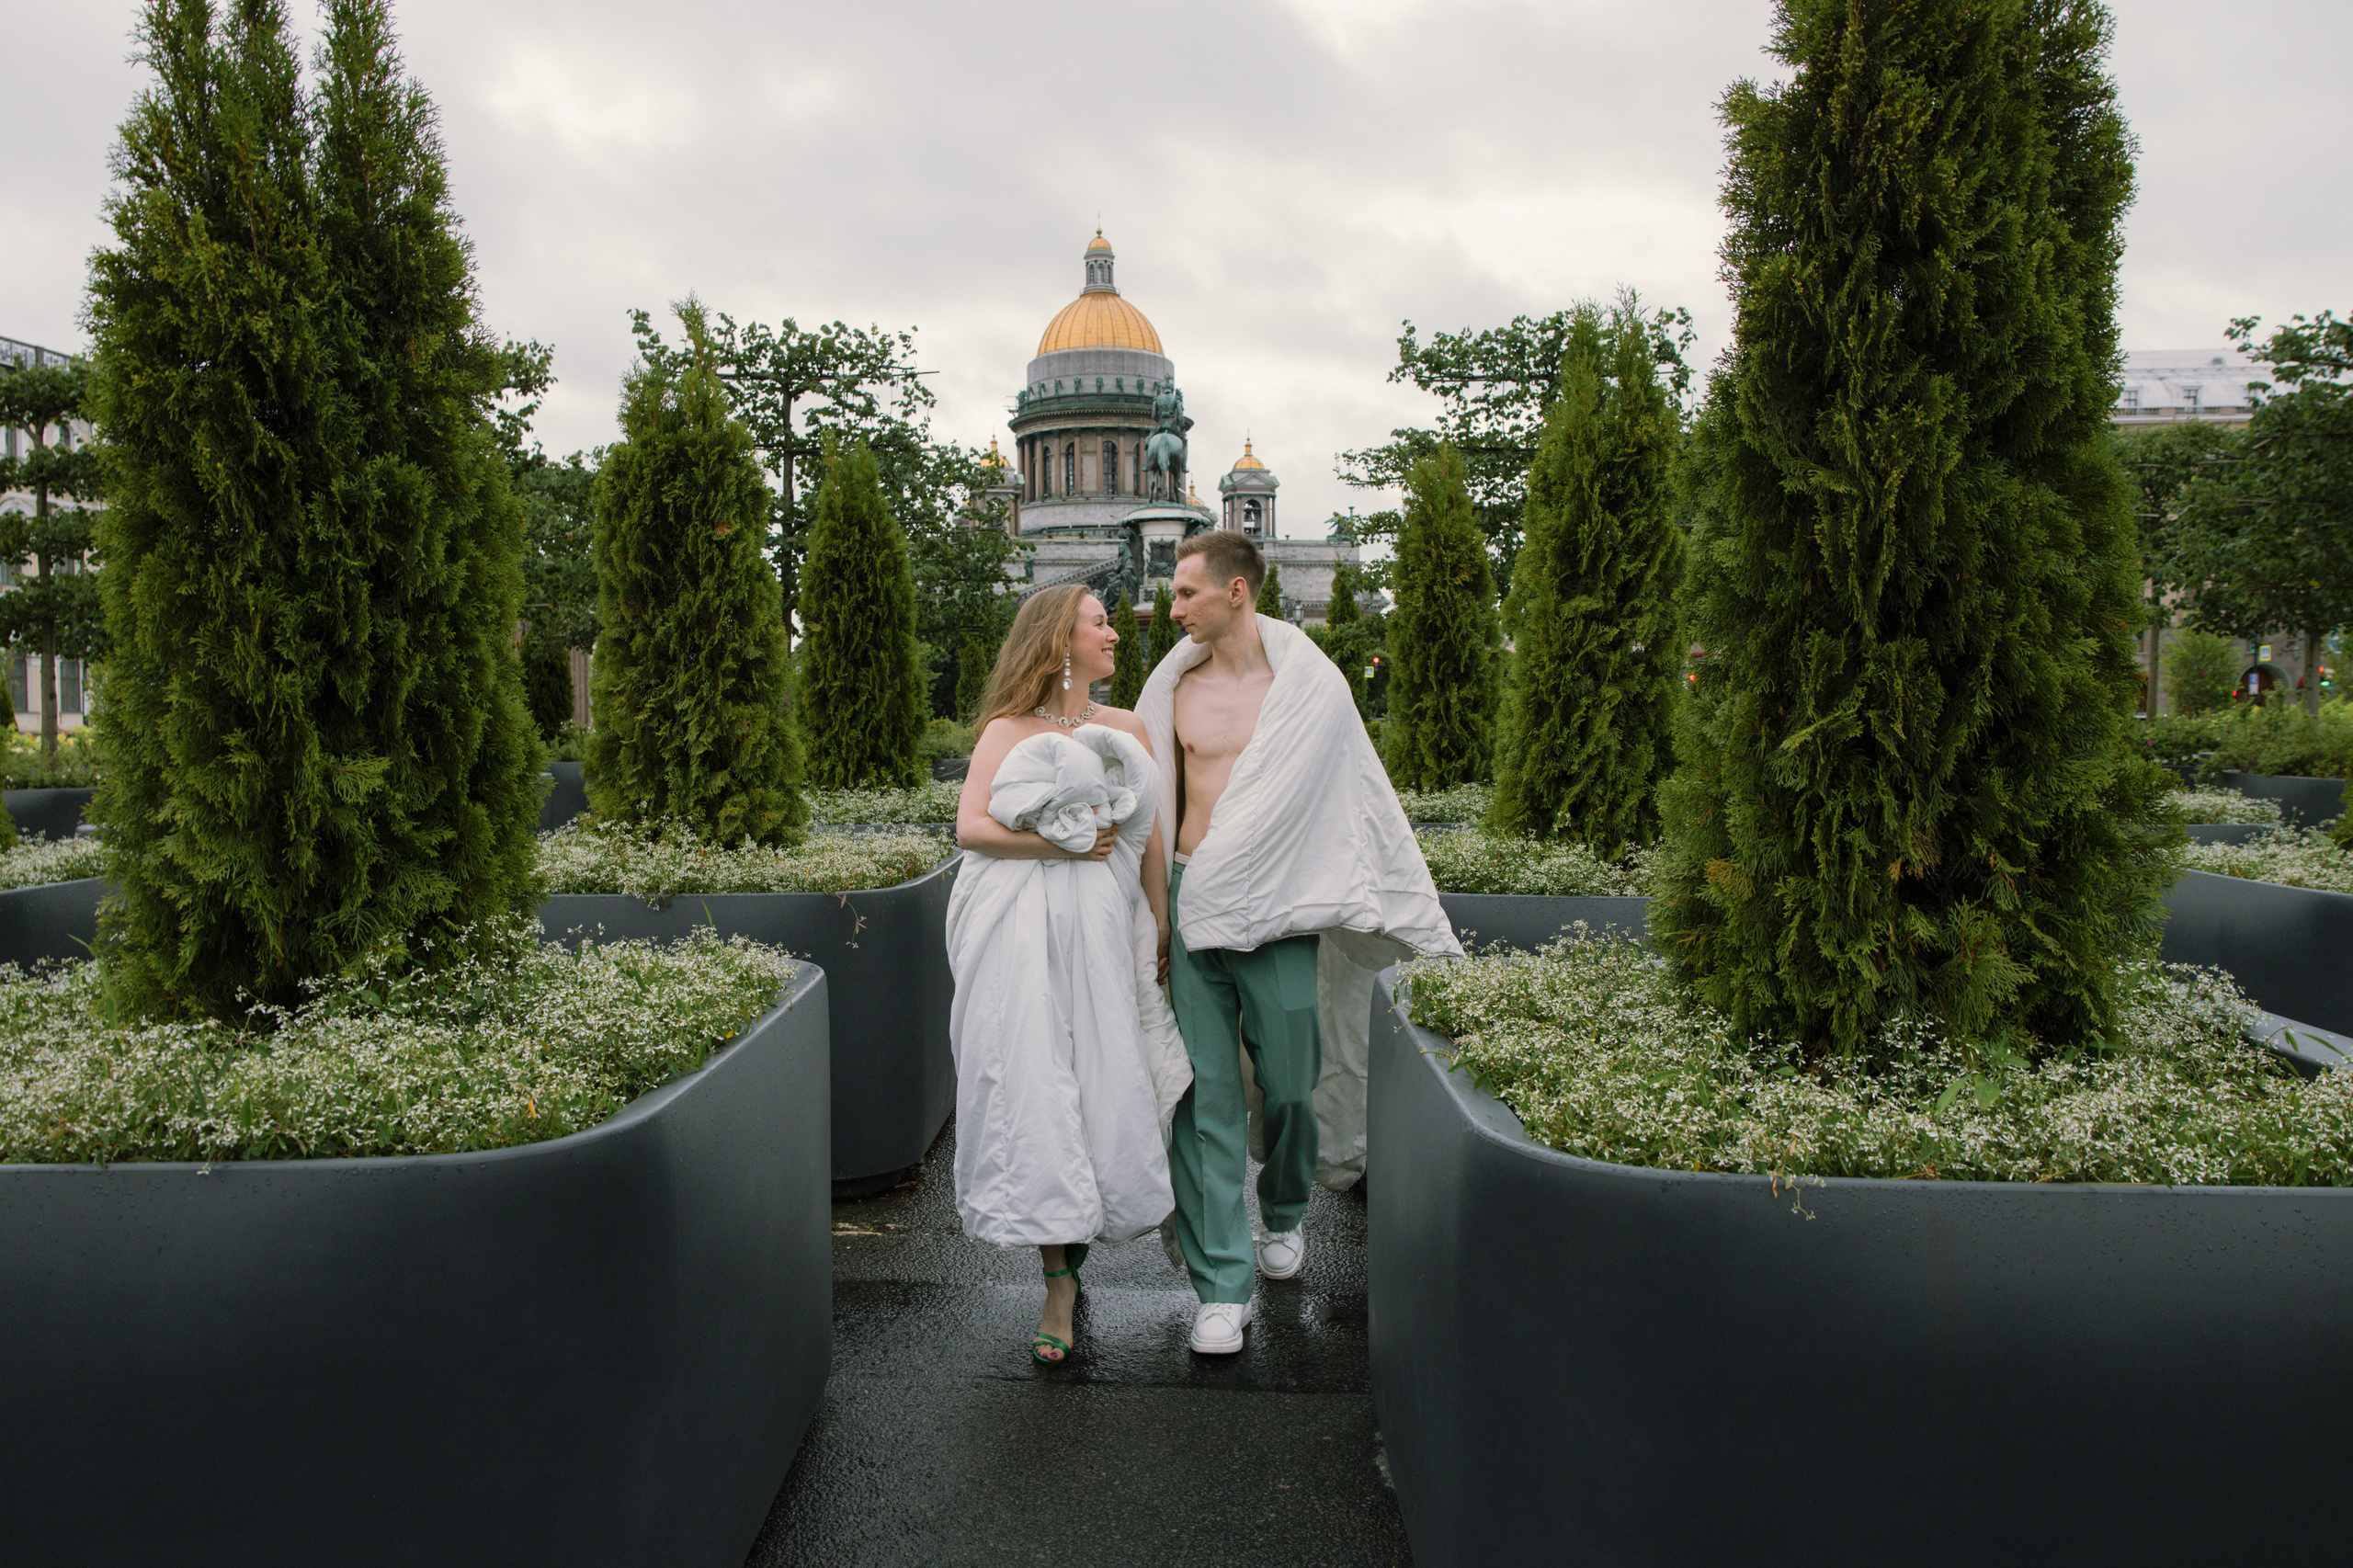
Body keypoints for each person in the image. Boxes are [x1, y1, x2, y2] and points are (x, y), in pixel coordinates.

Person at [1136, 532, 1461, 1356]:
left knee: (1291, 1082)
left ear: (1237, 591)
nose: (1172, 610)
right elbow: (1153, 810)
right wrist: (1155, 916)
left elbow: (1356, 797)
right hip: (1189, 898)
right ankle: (1221, 1285)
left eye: (1186, 594)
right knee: (1201, 1096)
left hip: (1276, 908)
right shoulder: (1174, 688)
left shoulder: (1310, 688)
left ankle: (1283, 1209)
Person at [946, 585, 1189, 1365]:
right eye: (1101, 623)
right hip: (1021, 935)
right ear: (1059, 643)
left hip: (1109, 926)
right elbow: (971, 826)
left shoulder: (1128, 727)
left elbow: (1148, 837)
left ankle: (1142, 1216)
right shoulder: (1005, 730)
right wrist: (1060, 845)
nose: (1115, 634)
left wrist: (1160, 925)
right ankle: (1058, 1281)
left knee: (1109, 1078)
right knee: (1037, 1087)